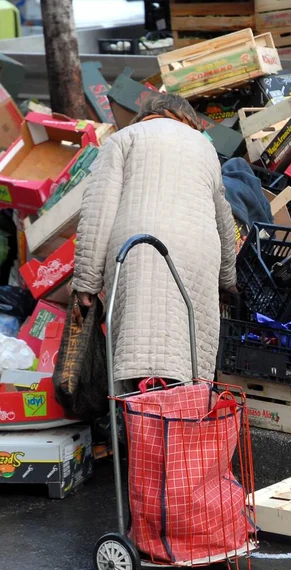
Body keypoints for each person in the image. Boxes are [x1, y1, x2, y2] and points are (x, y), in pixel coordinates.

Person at [72, 93, 237, 394]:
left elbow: (99, 211)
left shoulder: (123, 139)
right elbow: (223, 218)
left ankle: (139, 426)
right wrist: (228, 278)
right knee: (186, 349)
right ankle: (184, 425)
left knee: (138, 347)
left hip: (137, 250)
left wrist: (86, 282)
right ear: (187, 118)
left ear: (146, 114)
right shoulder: (204, 148)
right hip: (197, 252)